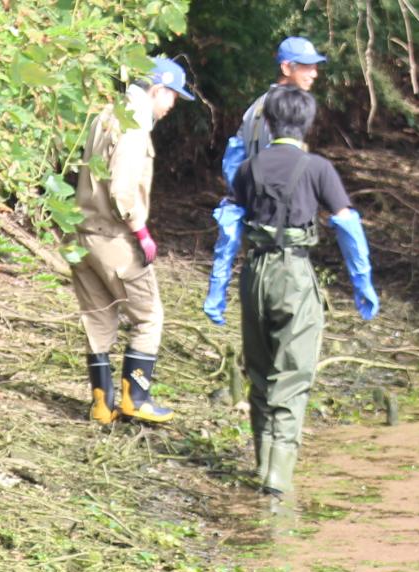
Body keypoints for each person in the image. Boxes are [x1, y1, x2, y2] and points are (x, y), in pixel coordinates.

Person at [205, 85, 380, 497]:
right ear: (308, 124)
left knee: (261, 373)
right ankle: (278, 482)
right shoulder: (317, 168)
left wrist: (218, 290)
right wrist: (363, 284)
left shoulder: (248, 170)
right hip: (295, 276)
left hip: (254, 275)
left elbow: (228, 230)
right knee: (294, 375)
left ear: (266, 123)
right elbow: (348, 226)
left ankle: (263, 464)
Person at [70, 57, 193, 426]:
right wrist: (141, 231)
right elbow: (122, 189)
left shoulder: (105, 113)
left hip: (81, 234)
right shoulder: (136, 123)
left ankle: (102, 405)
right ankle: (135, 398)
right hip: (114, 237)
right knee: (149, 316)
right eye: (172, 96)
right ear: (158, 89)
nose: (171, 106)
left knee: (97, 317)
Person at [220, 36, 327, 187]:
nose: (314, 74)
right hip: (276, 200)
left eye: (315, 67)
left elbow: (233, 160)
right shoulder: (287, 108)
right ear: (286, 68)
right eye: (306, 66)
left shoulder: (255, 106)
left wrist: (244, 197)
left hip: (256, 199)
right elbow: (282, 159)